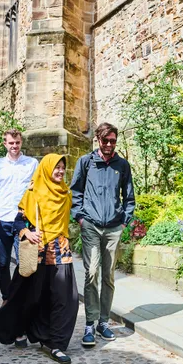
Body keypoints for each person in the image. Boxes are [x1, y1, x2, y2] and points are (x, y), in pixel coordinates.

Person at [0, 154, 79, 364]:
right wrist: (27, 234)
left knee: (67, 299)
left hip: (60, 249)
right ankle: (27, 331)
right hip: (38, 250)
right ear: (47, 169)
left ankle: (56, 344)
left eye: (62, 168)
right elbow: (18, 222)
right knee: (31, 296)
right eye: (56, 167)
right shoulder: (33, 193)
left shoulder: (65, 194)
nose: (59, 171)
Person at [70, 122, 135, 348]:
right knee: (91, 273)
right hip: (91, 225)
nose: (109, 145)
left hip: (114, 228)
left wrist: (124, 222)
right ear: (98, 139)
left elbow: (129, 197)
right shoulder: (86, 163)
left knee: (107, 276)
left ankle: (103, 322)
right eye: (105, 140)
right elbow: (75, 191)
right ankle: (89, 322)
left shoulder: (122, 165)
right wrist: (79, 217)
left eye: (113, 141)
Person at [0, 129, 38, 303]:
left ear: (21, 142)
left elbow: (38, 190)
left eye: (17, 142)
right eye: (11, 143)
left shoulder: (31, 163)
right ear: (5, 143)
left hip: (23, 221)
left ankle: (19, 296)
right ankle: (7, 298)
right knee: (3, 262)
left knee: (25, 263)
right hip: (1, 220)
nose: (14, 146)